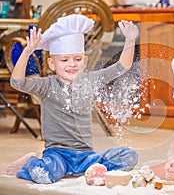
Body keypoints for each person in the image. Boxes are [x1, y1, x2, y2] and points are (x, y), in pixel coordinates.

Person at [6, 14, 139, 184]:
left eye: (77, 59)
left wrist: (130, 40)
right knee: (43, 174)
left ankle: (88, 171)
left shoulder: (89, 81)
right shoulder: (47, 86)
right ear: (52, 64)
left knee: (128, 155)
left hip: (86, 156)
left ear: (84, 61)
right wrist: (28, 52)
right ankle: (31, 161)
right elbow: (17, 82)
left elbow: (122, 67)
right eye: (64, 60)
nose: (72, 64)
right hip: (57, 155)